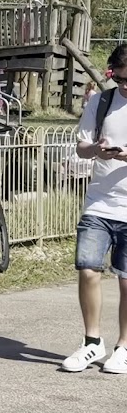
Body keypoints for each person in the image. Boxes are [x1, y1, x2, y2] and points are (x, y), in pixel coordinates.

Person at [64, 43, 127, 374]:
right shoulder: (100, 102)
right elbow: (82, 146)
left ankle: (123, 347)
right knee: (88, 269)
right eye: (121, 79)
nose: (125, 85)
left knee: (126, 281)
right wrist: (96, 151)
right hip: (99, 203)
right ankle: (92, 342)